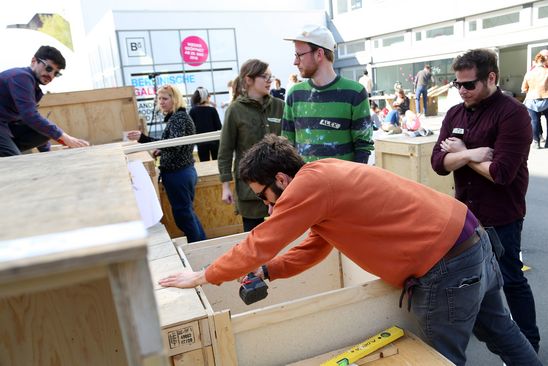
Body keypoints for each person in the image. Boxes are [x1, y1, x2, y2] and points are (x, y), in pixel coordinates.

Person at [159, 134, 541, 366]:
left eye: (265, 196)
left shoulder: (308, 187)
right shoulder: (325, 175)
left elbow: (261, 240)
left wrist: (203, 276)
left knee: (437, 360)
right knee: (501, 331)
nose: (268, 207)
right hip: (472, 243)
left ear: (281, 178)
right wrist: (268, 272)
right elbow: (314, 247)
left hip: (447, 266)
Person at [431, 49, 540, 353]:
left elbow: (502, 173)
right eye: (458, 85)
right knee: (472, 281)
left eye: (469, 85)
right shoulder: (455, 113)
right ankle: (497, 340)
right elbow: (438, 162)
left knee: (510, 280)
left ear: (491, 77)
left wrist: (461, 153)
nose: (462, 91)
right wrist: (469, 154)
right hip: (465, 215)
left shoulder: (513, 114)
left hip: (502, 214)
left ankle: (527, 347)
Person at [282, 24, 374, 163]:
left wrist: (352, 183)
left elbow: (363, 148)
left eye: (299, 55)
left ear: (319, 54)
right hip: (304, 182)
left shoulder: (355, 93)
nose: (295, 62)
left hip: (342, 182)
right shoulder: (295, 94)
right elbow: (286, 146)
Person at [127, 84, 206, 243]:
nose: (161, 102)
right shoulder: (177, 117)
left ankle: (197, 247)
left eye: (165, 98)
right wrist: (161, 150)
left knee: (184, 215)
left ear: (175, 99)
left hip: (179, 174)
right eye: (159, 99)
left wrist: (144, 139)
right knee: (186, 213)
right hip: (181, 172)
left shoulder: (179, 118)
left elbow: (174, 144)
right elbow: (175, 144)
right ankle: (201, 244)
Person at [217, 59, 284, 232]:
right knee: (254, 239)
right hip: (249, 190)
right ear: (248, 80)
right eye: (264, 77)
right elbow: (225, 150)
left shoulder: (280, 107)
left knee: (282, 236)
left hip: (280, 186)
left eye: (271, 76)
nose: (269, 81)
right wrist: (225, 186)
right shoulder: (235, 110)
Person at [0, 45, 89, 157]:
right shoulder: (21, 77)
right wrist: (65, 137)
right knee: (14, 160)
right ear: (34, 61)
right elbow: (30, 116)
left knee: (46, 132)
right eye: (48, 68)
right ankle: (10, 153)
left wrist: (47, 153)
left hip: (5, 127)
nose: (51, 75)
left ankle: (9, 151)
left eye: (56, 73)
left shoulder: (31, 85)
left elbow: (29, 122)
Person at [521, 52, 548, 149]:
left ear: (536, 62)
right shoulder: (547, 71)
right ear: (544, 62)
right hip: (546, 99)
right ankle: (547, 143)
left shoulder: (529, 73)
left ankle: (536, 142)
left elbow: (524, 88)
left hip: (531, 100)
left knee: (534, 121)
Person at [189, 87, 222, 161]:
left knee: (204, 162)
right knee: (216, 162)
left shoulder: (193, 111)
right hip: (214, 141)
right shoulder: (212, 110)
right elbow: (219, 126)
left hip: (201, 141)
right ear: (206, 97)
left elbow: (190, 128)